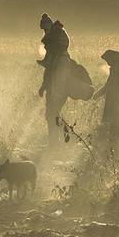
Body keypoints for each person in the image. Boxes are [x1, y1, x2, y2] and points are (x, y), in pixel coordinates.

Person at [38, 14, 72, 144]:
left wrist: (53, 92)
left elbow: (59, 79)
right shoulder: (56, 58)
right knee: (51, 114)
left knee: (53, 113)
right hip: (53, 89)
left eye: (45, 28)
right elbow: (48, 72)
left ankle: (61, 138)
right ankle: (56, 138)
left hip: (57, 90)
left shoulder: (62, 60)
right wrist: (44, 86)